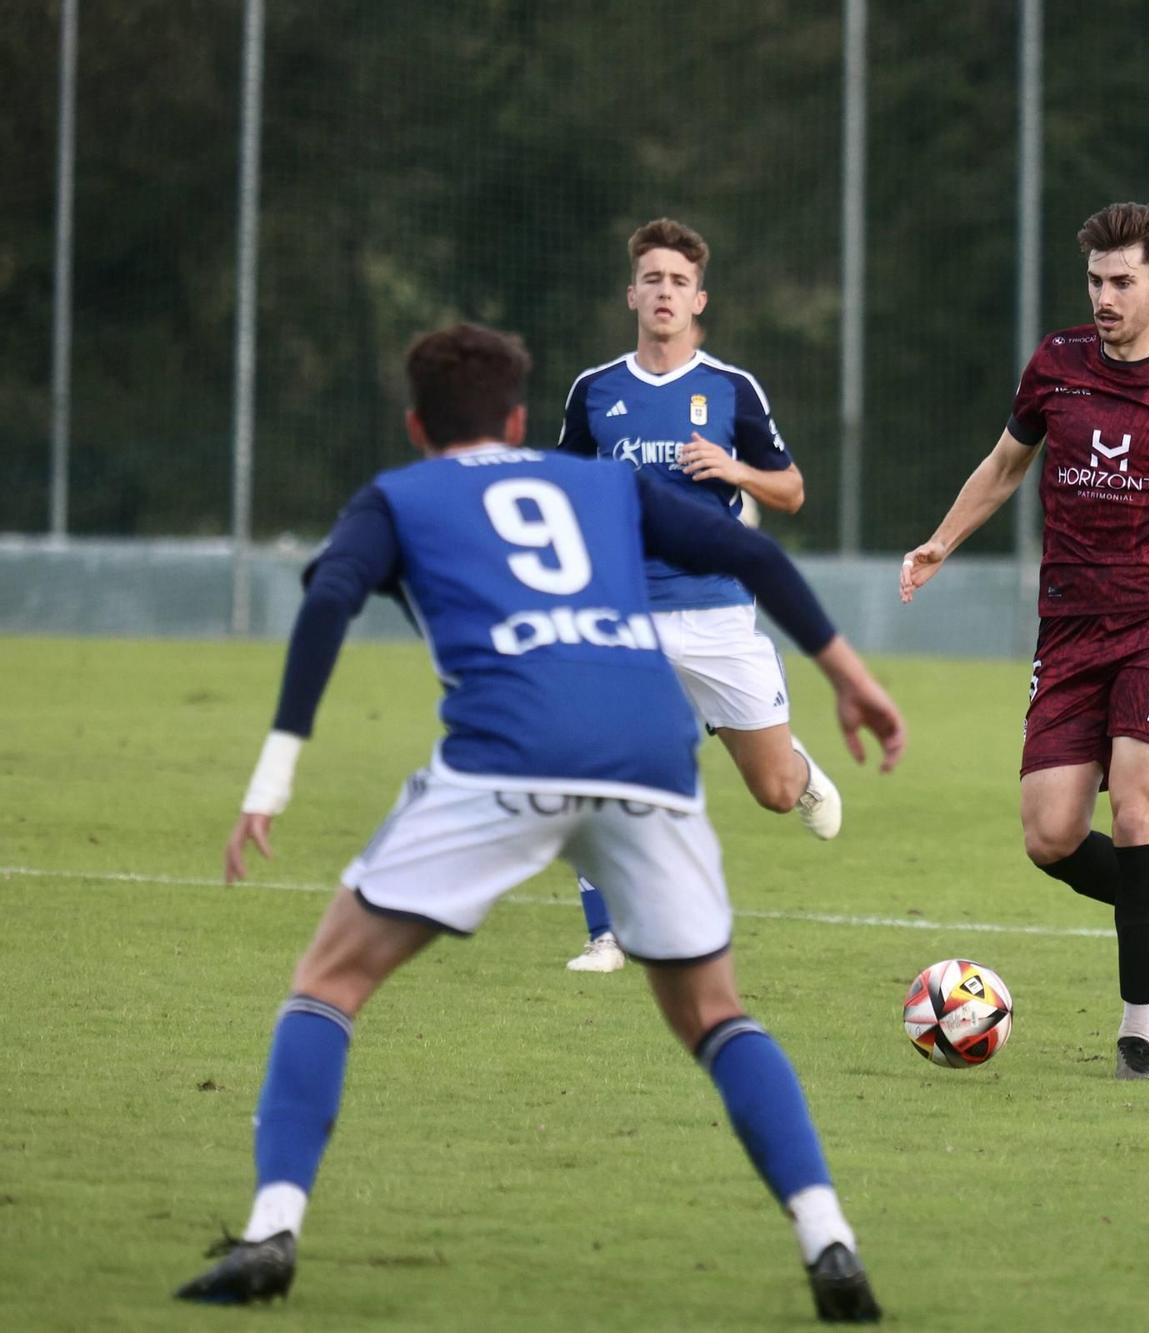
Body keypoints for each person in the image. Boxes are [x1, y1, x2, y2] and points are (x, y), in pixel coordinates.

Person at [175, 323, 897, 1322]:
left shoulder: (398, 495)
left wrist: (274, 773)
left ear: (417, 423)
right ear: (520, 418)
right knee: (714, 1013)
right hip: (648, 752)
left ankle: (269, 1232)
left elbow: (331, 595)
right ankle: (829, 1240)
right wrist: (849, 677)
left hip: (504, 754)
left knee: (329, 981)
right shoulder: (601, 486)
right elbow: (744, 548)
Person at [899, 202, 1149, 1083]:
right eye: (1095, 281)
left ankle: (1138, 1034)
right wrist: (939, 541)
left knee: (1138, 806)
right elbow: (1004, 466)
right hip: (1069, 624)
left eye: (1122, 282)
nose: (1105, 297)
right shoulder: (1056, 363)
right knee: (1049, 834)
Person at [555, 216, 831, 975]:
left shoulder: (730, 390)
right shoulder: (595, 391)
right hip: (622, 611)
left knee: (773, 791)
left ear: (699, 298)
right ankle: (607, 932)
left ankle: (800, 770)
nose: (665, 292)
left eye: (679, 281)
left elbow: (794, 490)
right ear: (632, 293)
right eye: (653, 279)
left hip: (715, 611)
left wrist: (733, 470)